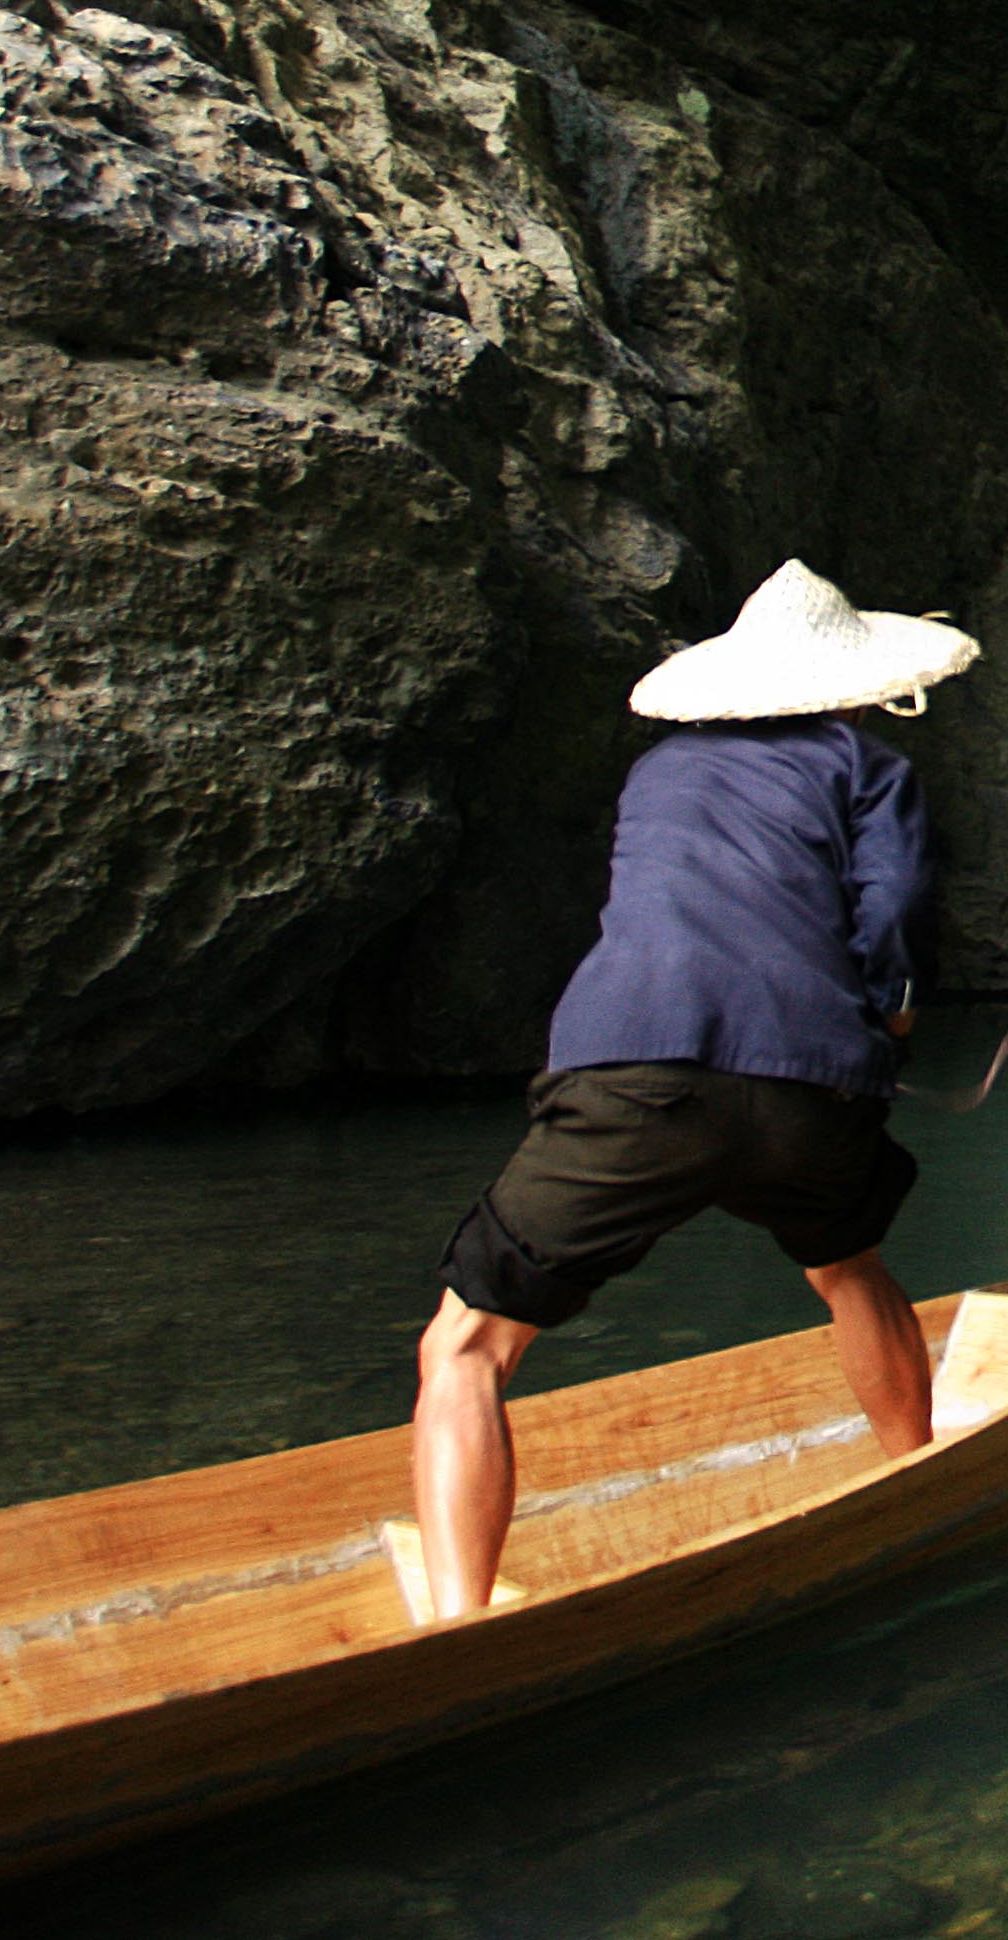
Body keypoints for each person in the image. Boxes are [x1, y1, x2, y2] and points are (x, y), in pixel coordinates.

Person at [403, 558, 967, 1621]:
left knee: (466, 1346)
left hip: (633, 1070)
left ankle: (455, 1620)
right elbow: (893, 906)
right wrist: (891, 1013)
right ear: (851, 679)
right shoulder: (868, 765)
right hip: (807, 1087)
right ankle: (917, 1484)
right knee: (848, 1269)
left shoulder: (658, 773)